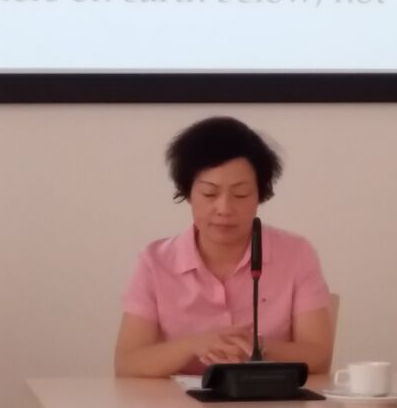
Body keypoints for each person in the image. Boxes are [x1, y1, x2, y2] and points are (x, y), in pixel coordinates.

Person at [114, 116, 333, 378]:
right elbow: (128, 363)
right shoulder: (154, 261)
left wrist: (257, 346)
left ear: (260, 196)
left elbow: (318, 356)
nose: (225, 209)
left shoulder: (296, 254)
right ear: (188, 193)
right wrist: (195, 345)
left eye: (241, 194)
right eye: (209, 193)